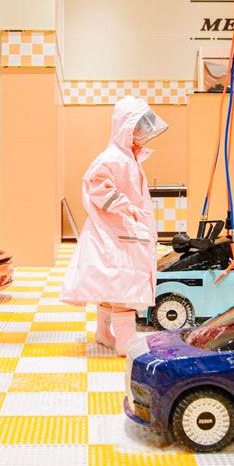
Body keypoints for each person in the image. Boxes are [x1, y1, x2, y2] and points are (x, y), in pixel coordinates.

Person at [60, 96, 168, 355]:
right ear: (125, 128)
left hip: (121, 234)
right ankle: (125, 341)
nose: (143, 134)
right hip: (117, 235)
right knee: (124, 289)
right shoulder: (114, 158)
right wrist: (127, 207)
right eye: (139, 128)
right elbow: (97, 185)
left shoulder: (127, 158)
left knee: (113, 286)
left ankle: (104, 333)